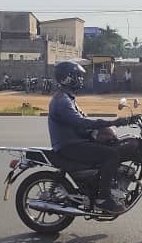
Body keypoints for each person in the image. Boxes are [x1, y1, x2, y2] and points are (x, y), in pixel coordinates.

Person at [48, 61, 134, 213]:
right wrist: (113, 122)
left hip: (75, 142)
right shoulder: (62, 101)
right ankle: (103, 198)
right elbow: (81, 122)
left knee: (112, 145)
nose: (81, 79)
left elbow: (83, 120)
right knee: (112, 154)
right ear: (67, 78)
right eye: (77, 76)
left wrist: (104, 130)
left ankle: (102, 186)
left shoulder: (68, 98)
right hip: (70, 145)